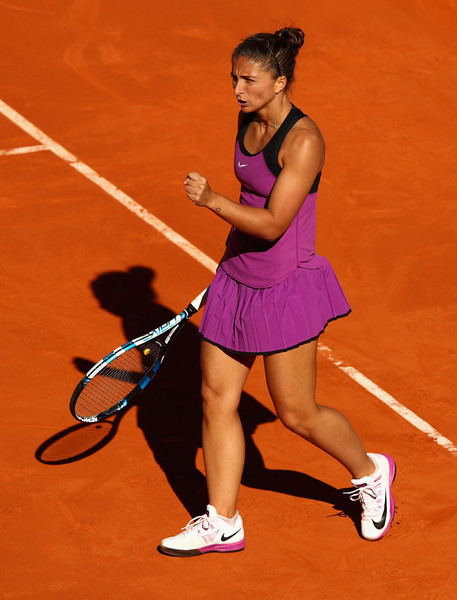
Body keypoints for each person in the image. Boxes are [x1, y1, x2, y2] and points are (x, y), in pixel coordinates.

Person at [159, 26, 396, 557]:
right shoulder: (248, 118)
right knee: (216, 397)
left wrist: (212, 200)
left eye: (249, 80)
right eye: (234, 79)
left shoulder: (305, 139)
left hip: (285, 287)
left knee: (296, 413)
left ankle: (370, 471)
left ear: (280, 81)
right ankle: (222, 520)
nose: (238, 90)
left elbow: (271, 222)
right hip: (237, 279)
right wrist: (228, 264)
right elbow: (251, 204)